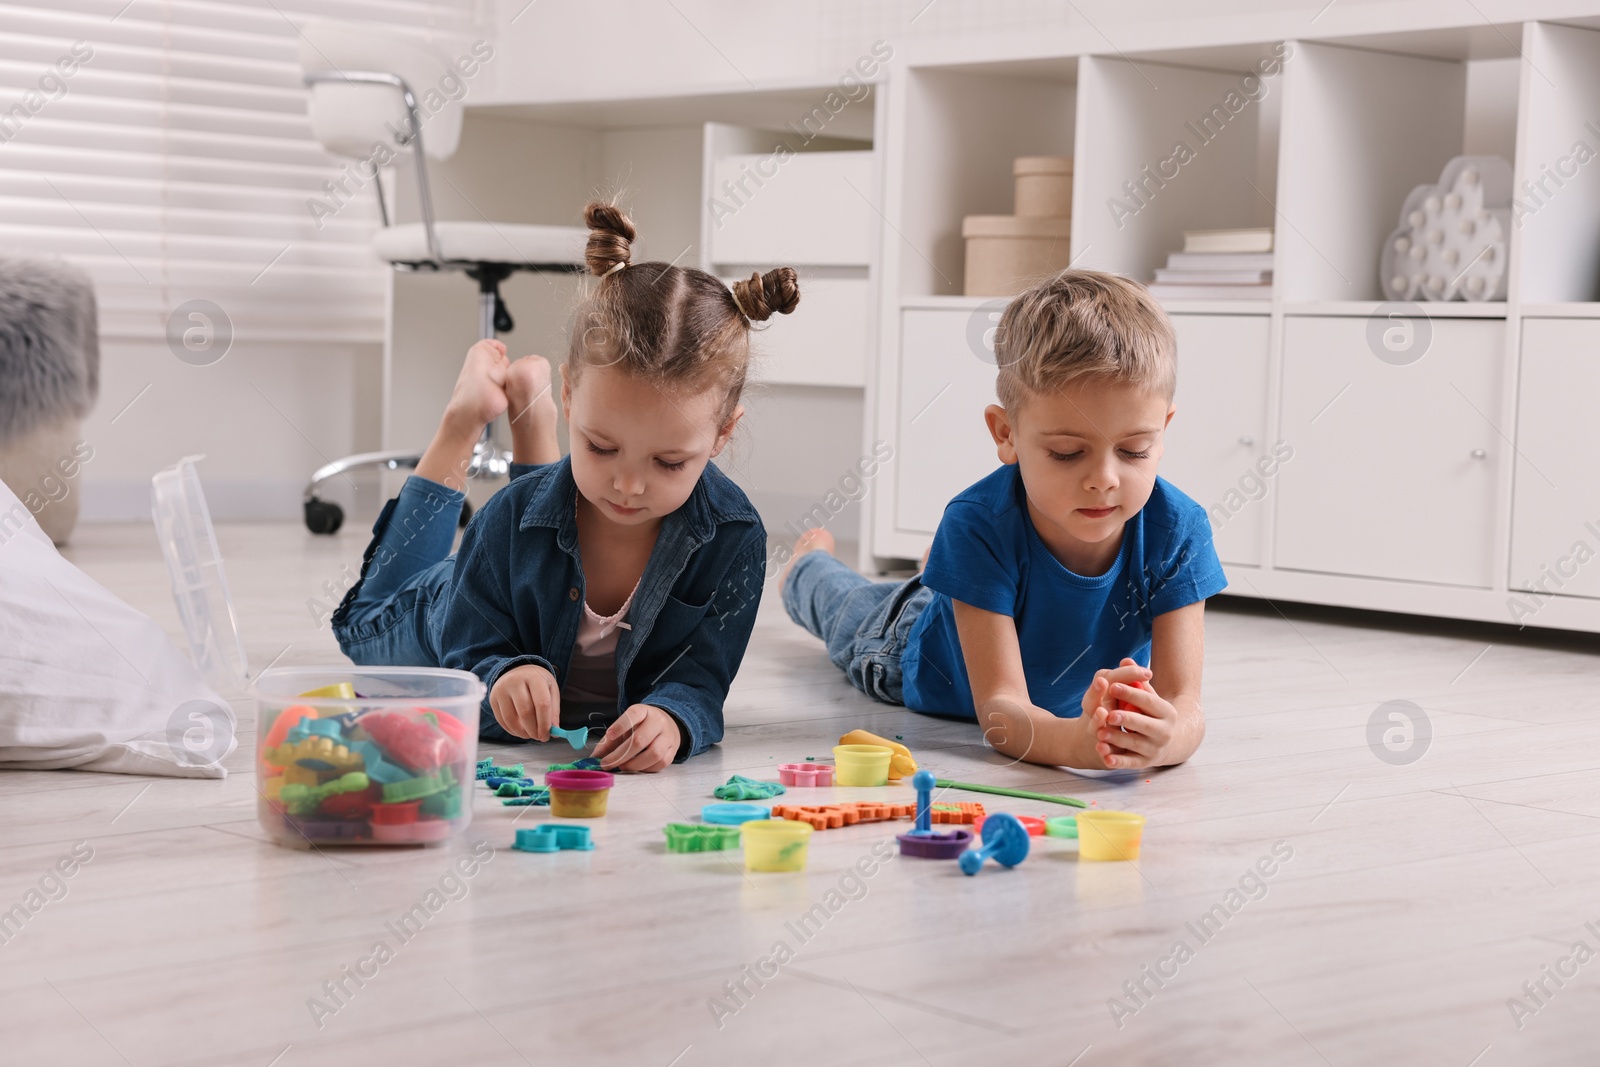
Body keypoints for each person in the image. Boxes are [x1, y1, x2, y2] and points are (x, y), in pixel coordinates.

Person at [333, 201, 798, 772]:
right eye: (601, 446)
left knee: (563, 494)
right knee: (363, 631)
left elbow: (702, 674)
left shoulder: (734, 534)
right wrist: (502, 672)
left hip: (536, 530)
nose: (629, 485)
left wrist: (674, 718)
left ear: (724, 432)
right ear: (572, 395)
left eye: (669, 463)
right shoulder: (504, 518)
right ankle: (462, 422)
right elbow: (469, 643)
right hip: (452, 598)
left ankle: (531, 423)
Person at [781, 269, 1225, 771]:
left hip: (1024, 654)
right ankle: (808, 563)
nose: (1104, 479)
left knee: (959, 576)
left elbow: (1186, 704)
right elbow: (999, 712)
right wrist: (1079, 745)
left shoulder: (1179, 531)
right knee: (845, 602)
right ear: (1005, 434)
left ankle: (947, 577)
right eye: (1066, 453)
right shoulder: (976, 524)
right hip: (906, 651)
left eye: (1134, 450)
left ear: (1162, 431)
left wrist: (1167, 739)